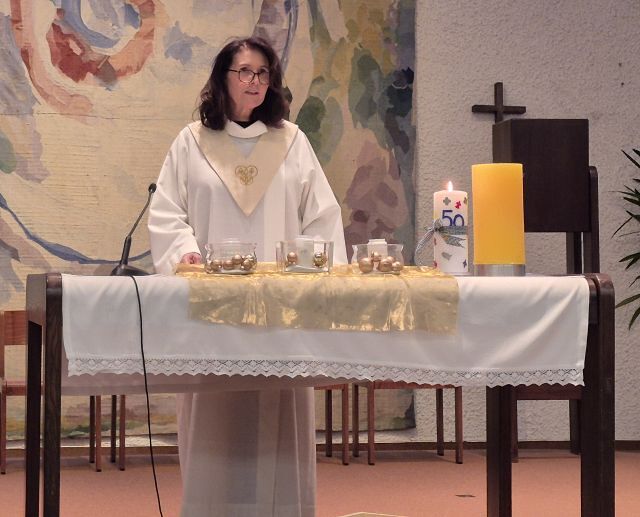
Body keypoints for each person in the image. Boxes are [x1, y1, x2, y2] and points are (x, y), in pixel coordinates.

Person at [147, 36, 347, 517]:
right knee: (215, 413)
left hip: (280, 306)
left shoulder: (292, 142)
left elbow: (322, 217)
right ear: (223, 78)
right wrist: (185, 253)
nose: (254, 81)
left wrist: (315, 271)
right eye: (244, 71)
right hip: (213, 305)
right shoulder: (192, 142)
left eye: (262, 73)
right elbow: (168, 213)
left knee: (278, 409)